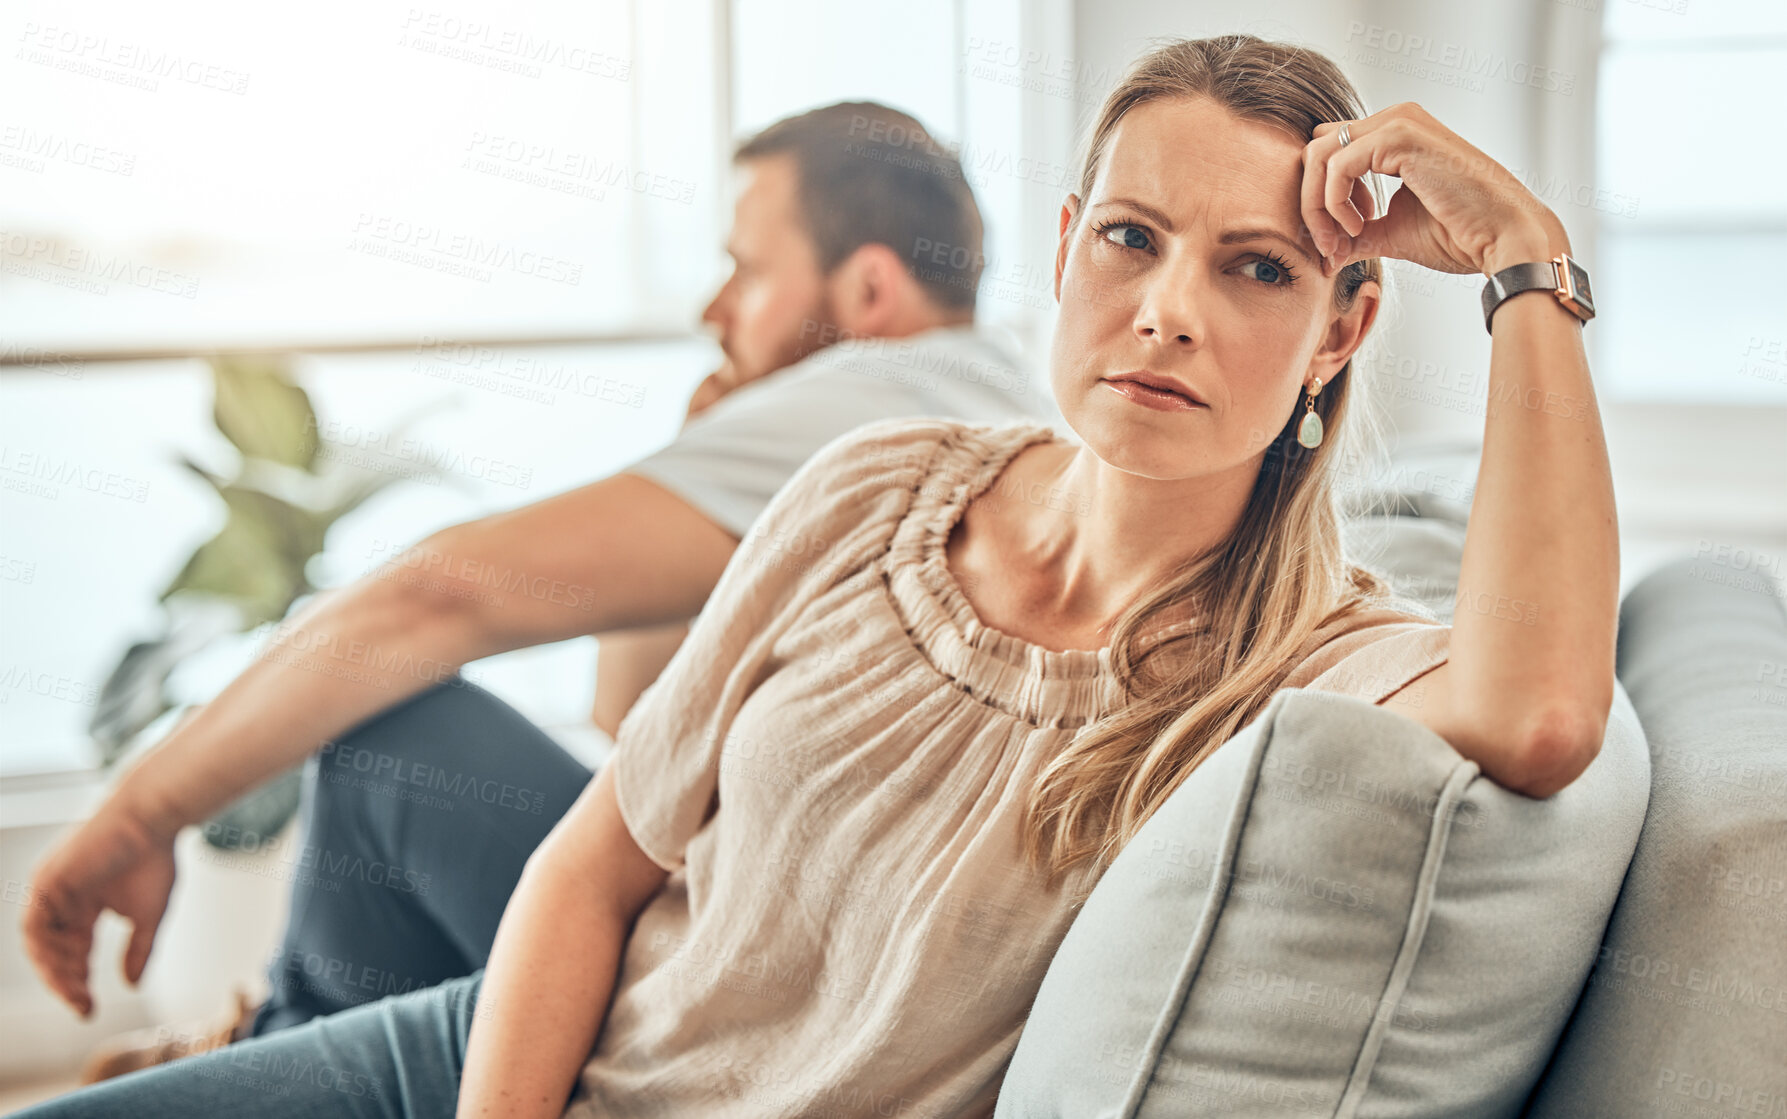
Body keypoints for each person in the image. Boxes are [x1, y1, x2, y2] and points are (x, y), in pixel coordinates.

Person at [17, 30, 1619, 1117]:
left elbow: (1542, 717)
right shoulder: (869, 484)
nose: (1165, 311)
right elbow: (593, 866)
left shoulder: (1314, 659)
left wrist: (1521, 260)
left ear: (1341, 330)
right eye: (1129, 239)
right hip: (506, 1040)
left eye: (1255, 268)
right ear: (1063, 248)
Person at [19, 99, 1053, 1079]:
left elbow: (439, 598)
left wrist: (137, 817)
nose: (713, 308)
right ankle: (292, 1035)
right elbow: (630, 721)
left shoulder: (873, 401)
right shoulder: (1004, 399)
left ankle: (281, 1040)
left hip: (722, 978)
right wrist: (701, 450)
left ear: (867, 291)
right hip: (816, 967)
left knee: (396, 732)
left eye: (744, 270)